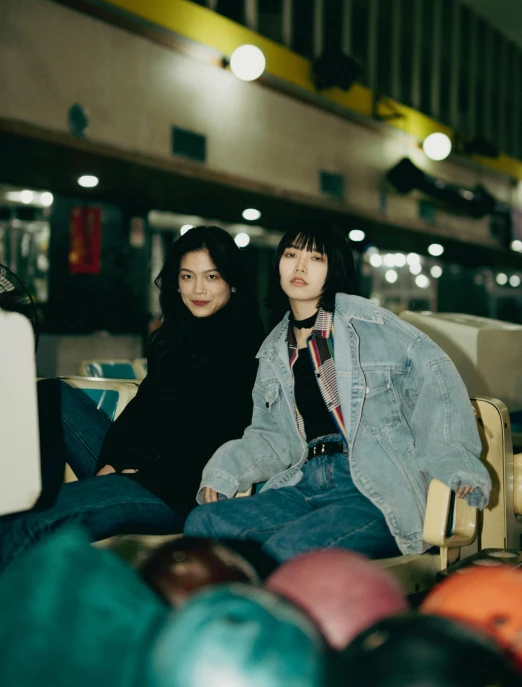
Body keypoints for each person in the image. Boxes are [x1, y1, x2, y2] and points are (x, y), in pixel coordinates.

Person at [184, 221, 491, 563]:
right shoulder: (274, 348)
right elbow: (270, 435)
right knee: (204, 524)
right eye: (290, 255)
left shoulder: (372, 326)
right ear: (278, 264)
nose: (300, 267)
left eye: (316, 258)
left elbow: (436, 380)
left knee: (288, 550)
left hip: (372, 486)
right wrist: (225, 471)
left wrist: (455, 462)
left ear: (335, 270)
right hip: (304, 483)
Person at [0, 226, 264, 571]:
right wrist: (112, 462)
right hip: (141, 469)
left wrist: (137, 469)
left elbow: (214, 437)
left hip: (178, 489)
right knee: (52, 394)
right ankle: (42, 490)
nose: (198, 289)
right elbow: (140, 413)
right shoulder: (176, 337)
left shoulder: (245, 348)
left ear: (231, 282)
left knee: (27, 523)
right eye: (187, 276)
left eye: (211, 276)